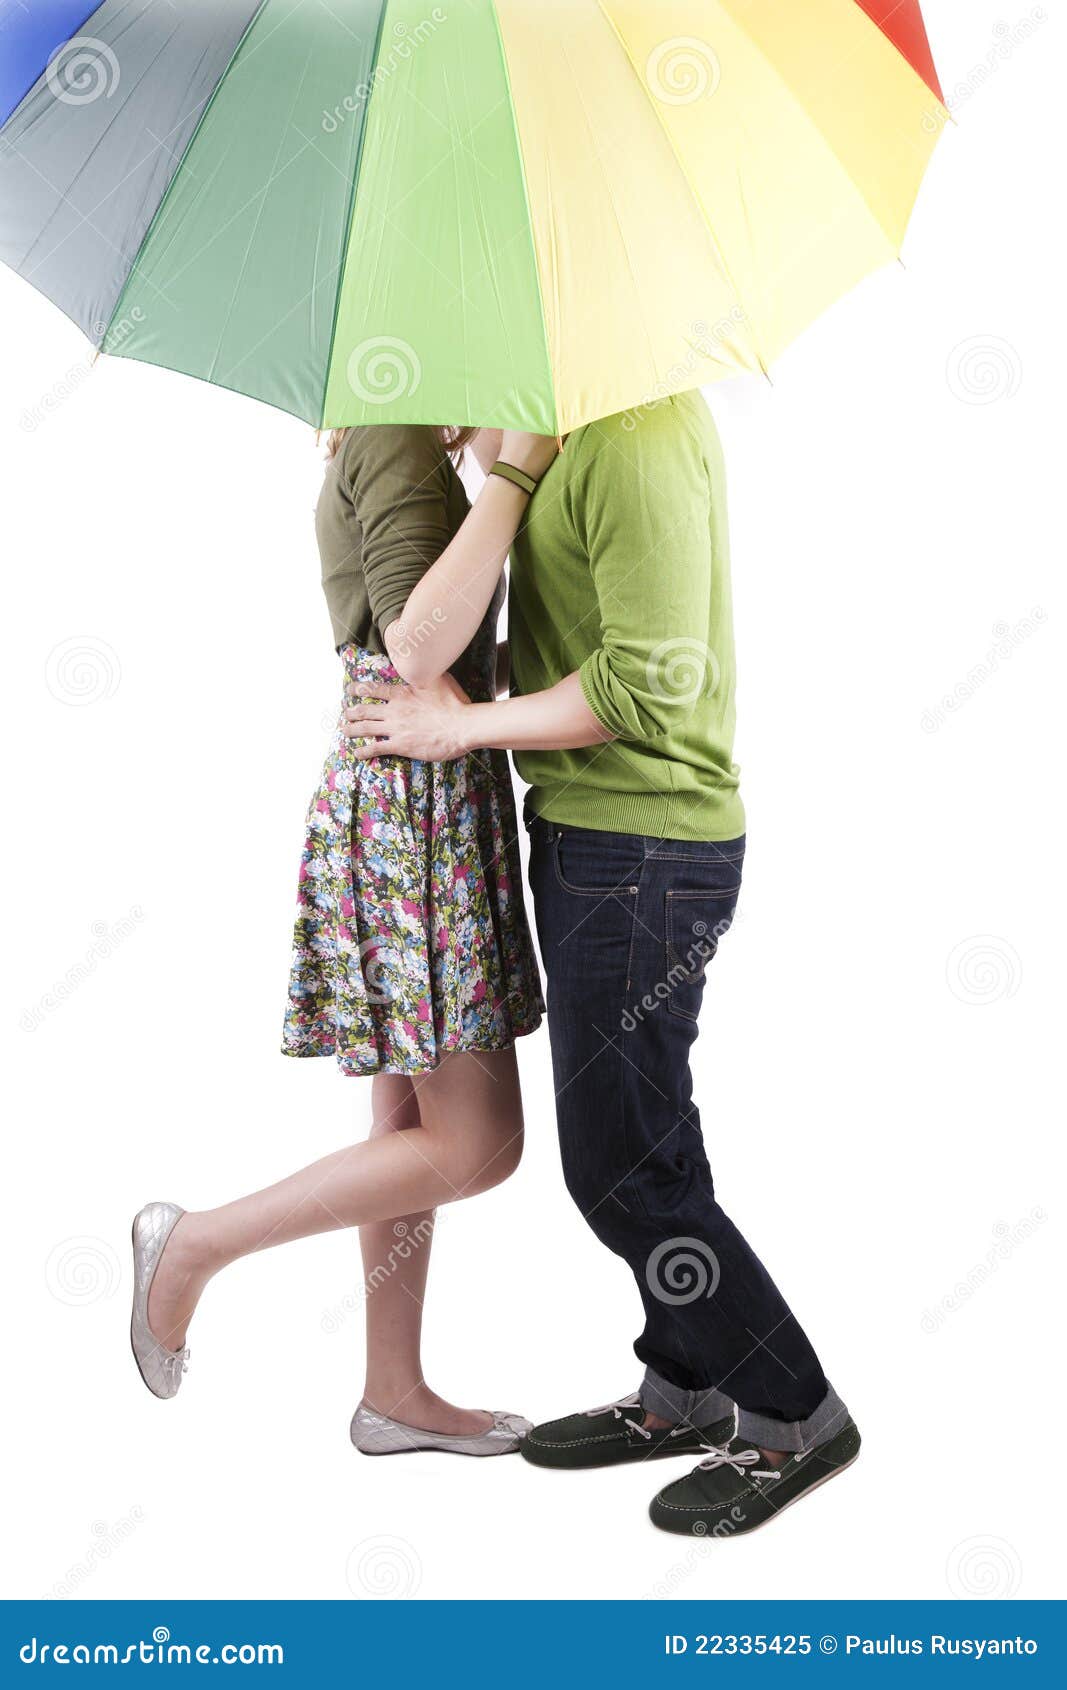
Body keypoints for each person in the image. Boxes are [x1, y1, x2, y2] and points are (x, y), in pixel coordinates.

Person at [343, 395, 860, 1532]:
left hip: (645, 847)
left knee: (620, 1169)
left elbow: (645, 682)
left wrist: (460, 729)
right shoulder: (564, 427)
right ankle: (683, 1382)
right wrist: (478, 446)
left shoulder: (634, 434)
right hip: (591, 839)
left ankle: (789, 1412)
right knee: (649, 1135)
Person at [129, 423, 556, 1457]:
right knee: (476, 1145)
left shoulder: (392, 441)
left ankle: (392, 1390)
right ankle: (193, 1245)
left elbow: (425, 660)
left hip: (413, 799)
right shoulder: (400, 445)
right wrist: (517, 467)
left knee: (407, 1126)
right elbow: (416, 646)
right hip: (417, 817)